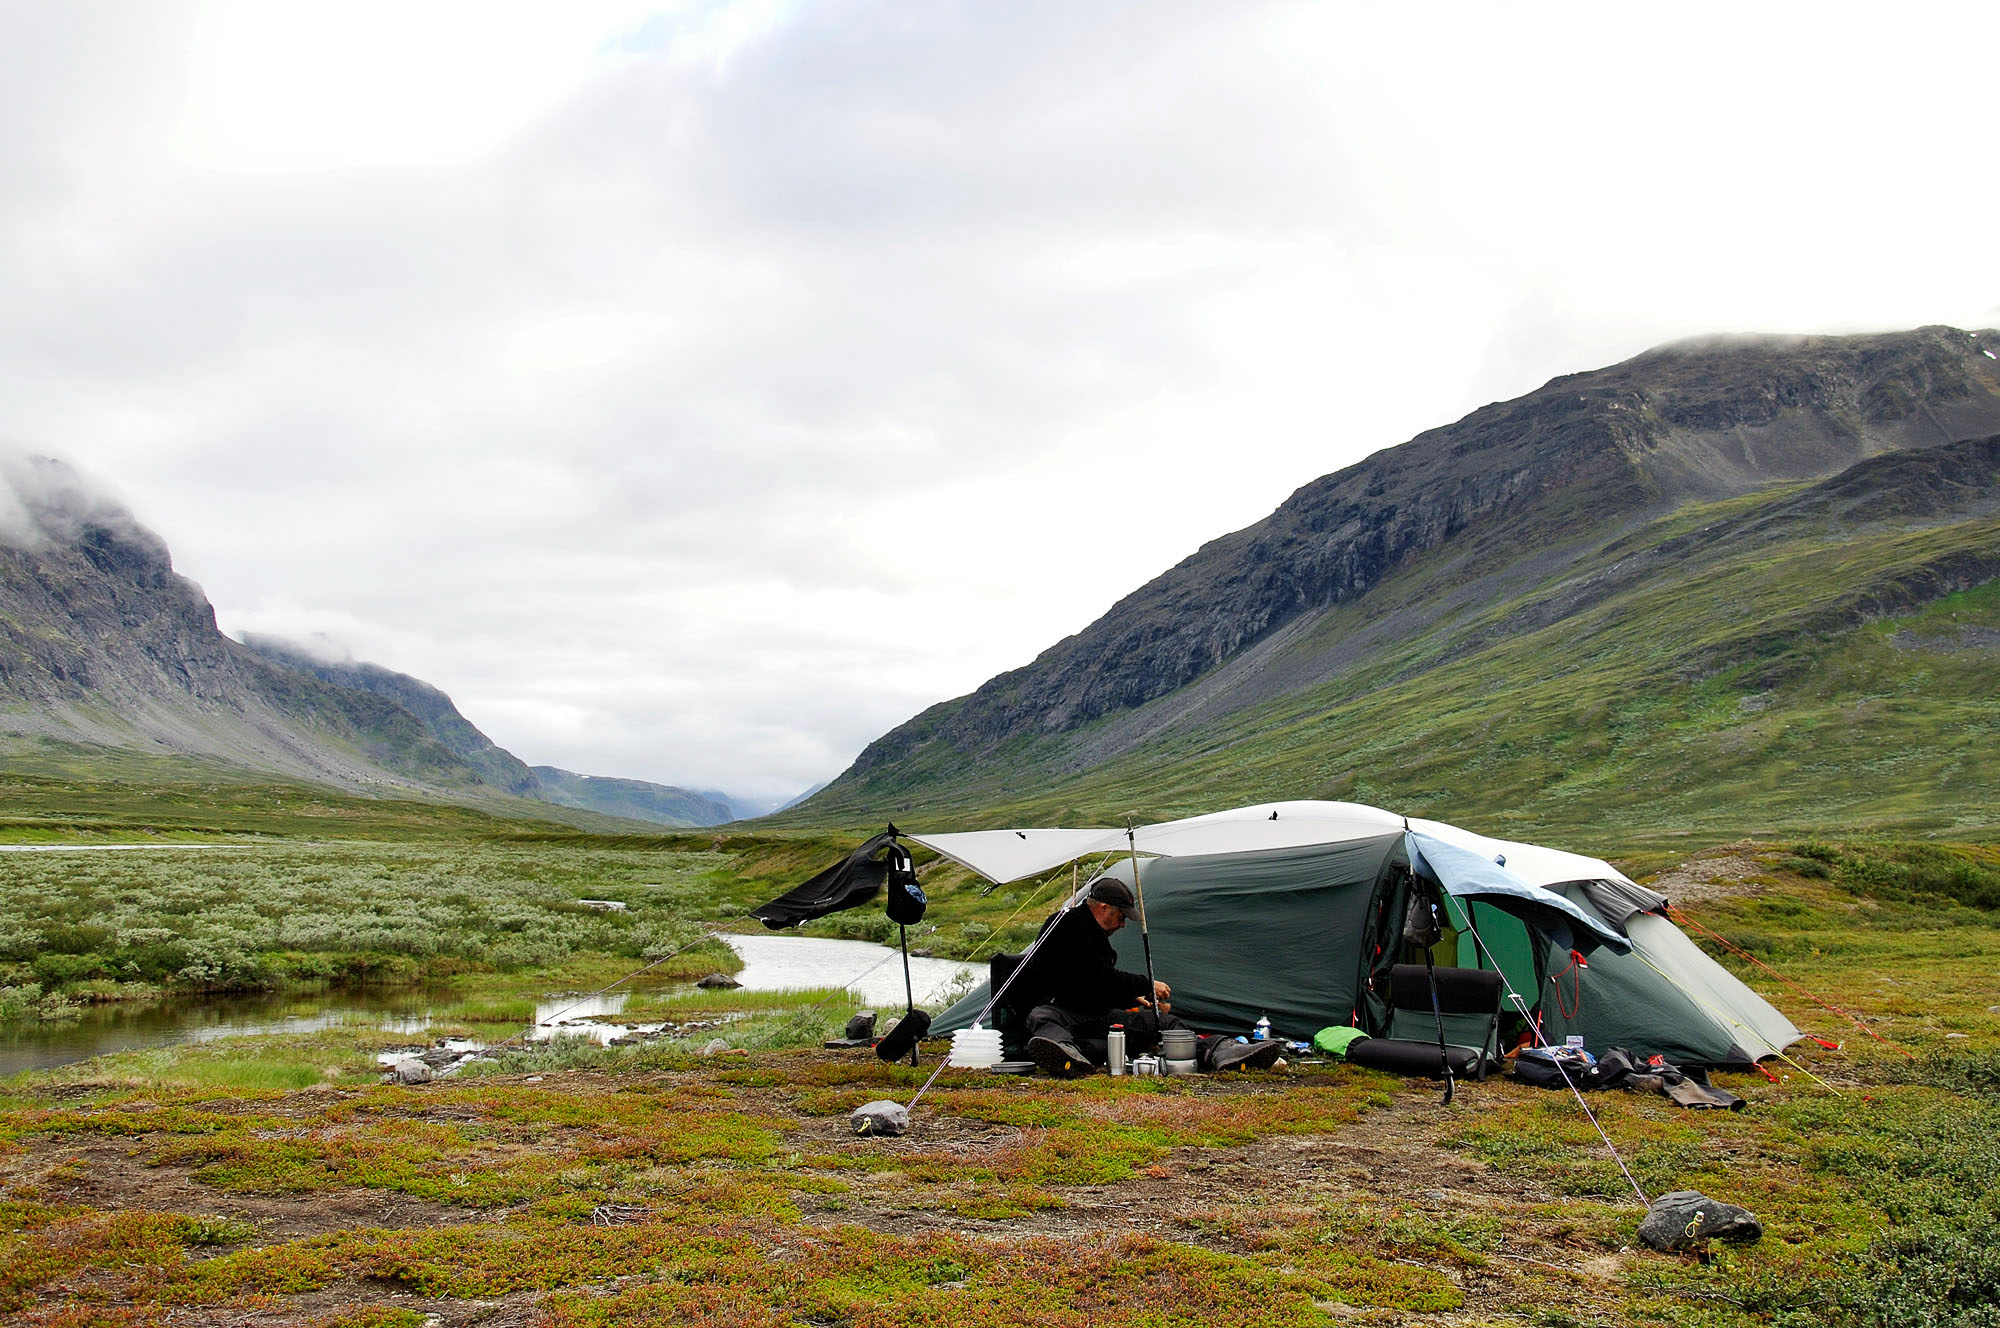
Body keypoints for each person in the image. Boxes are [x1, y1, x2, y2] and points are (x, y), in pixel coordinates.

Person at [1020, 877, 1280, 1077]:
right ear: (1103, 907)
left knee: (1163, 1021)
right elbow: (1091, 975)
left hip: (1097, 1013)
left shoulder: (1098, 936)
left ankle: (1222, 1051)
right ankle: (1063, 1054)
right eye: (1121, 917)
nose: (1123, 924)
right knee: (1041, 1016)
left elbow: (1095, 982)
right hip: (1062, 1010)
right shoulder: (1066, 925)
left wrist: (1133, 996)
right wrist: (1146, 985)